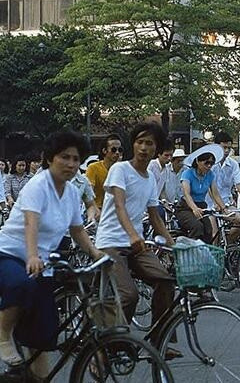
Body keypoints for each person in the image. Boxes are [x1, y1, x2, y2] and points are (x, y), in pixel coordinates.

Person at [0, 130, 103, 373]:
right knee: (21, 284)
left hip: (41, 266)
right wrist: (32, 256)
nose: (70, 164)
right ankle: (3, 334)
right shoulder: (38, 185)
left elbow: (77, 230)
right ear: (50, 158)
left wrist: (96, 253)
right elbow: (31, 223)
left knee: (44, 336)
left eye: (75, 159)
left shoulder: (71, 192)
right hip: (7, 254)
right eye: (64, 157)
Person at [94, 123, 175, 347]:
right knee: (129, 295)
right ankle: (109, 343)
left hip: (136, 244)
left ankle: (160, 342)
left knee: (165, 282)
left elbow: (155, 217)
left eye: (149, 143)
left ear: (157, 149)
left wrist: (174, 245)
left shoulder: (149, 178)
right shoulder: (120, 170)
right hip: (111, 242)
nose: (143, 147)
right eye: (139, 142)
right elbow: (119, 204)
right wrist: (133, 235)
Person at [208, 132, 240, 238]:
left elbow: (239, 185)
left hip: (226, 204)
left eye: (229, 148)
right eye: (224, 147)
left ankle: (229, 247)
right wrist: (216, 203)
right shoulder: (208, 163)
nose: (226, 151)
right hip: (209, 205)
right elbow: (207, 186)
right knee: (214, 233)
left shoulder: (233, 164)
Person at [178, 145, 228, 243]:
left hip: (202, 206)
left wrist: (224, 208)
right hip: (186, 207)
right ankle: (190, 252)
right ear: (198, 161)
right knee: (197, 227)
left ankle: (204, 254)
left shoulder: (210, 175)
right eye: (206, 163)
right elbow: (186, 194)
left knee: (209, 230)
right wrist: (194, 208)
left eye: (211, 163)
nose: (209, 166)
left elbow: (215, 193)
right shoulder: (187, 173)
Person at [85, 134, 123, 211]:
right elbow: (88, 193)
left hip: (116, 211)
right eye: (114, 150)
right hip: (98, 209)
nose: (117, 153)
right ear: (104, 151)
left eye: (120, 150)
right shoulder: (93, 168)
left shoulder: (122, 169)